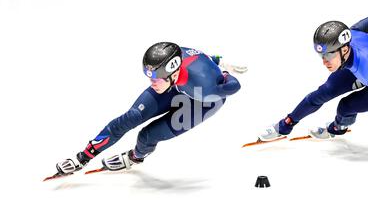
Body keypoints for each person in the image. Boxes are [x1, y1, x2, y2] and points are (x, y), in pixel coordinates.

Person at [55, 42, 241, 175]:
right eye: (150, 77)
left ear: (174, 72)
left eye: (156, 78)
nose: (152, 83)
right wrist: (216, 59)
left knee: (147, 136)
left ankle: (135, 157)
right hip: (176, 85)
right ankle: (83, 157)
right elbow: (201, 56)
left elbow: (233, 87)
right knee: (132, 117)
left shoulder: (205, 88)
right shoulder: (173, 59)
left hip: (202, 101)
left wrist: (225, 73)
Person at [259, 15, 368, 141]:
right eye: (321, 56)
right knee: (323, 92)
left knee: (346, 107)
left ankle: (337, 128)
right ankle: (285, 125)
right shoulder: (351, 35)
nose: (324, 62)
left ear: (344, 50)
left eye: (328, 56)